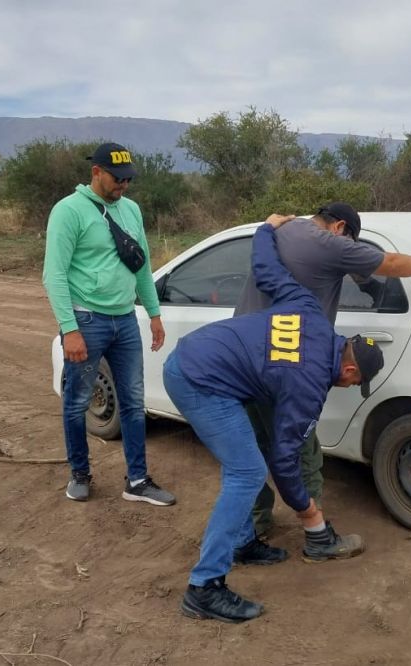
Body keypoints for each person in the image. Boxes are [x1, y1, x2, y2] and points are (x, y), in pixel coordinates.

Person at [162, 215, 385, 623]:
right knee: (247, 472)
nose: (348, 387)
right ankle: (204, 588)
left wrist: (267, 228)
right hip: (200, 380)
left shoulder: (311, 313)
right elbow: (286, 460)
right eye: (354, 385)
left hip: (197, 357)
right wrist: (309, 513)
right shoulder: (311, 384)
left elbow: (267, 269)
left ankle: (244, 543)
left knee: (248, 463)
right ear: (350, 372)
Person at [234, 202, 411, 538]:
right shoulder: (331, 245)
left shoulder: (283, 228)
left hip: (242, 358)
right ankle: (316, 534)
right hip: (286, 365)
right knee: (303, 451)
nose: (349, 250)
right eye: (351, 243)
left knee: (249, 448)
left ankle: (254, 525)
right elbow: (392, 263)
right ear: (339, 228)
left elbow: (342, 270)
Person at [43, 142, 175, 506]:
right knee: (77, 402)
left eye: (129, 179)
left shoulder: (131, 210)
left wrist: (154, 314)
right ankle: (80, 473)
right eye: (118, 179)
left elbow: (141, 265)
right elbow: (53, 275)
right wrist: (69, 328)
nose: (124, 186)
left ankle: (137, 480)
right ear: (96, 172)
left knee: (133, 401)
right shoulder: (68, 211)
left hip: (125, 320)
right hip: (86, 319)